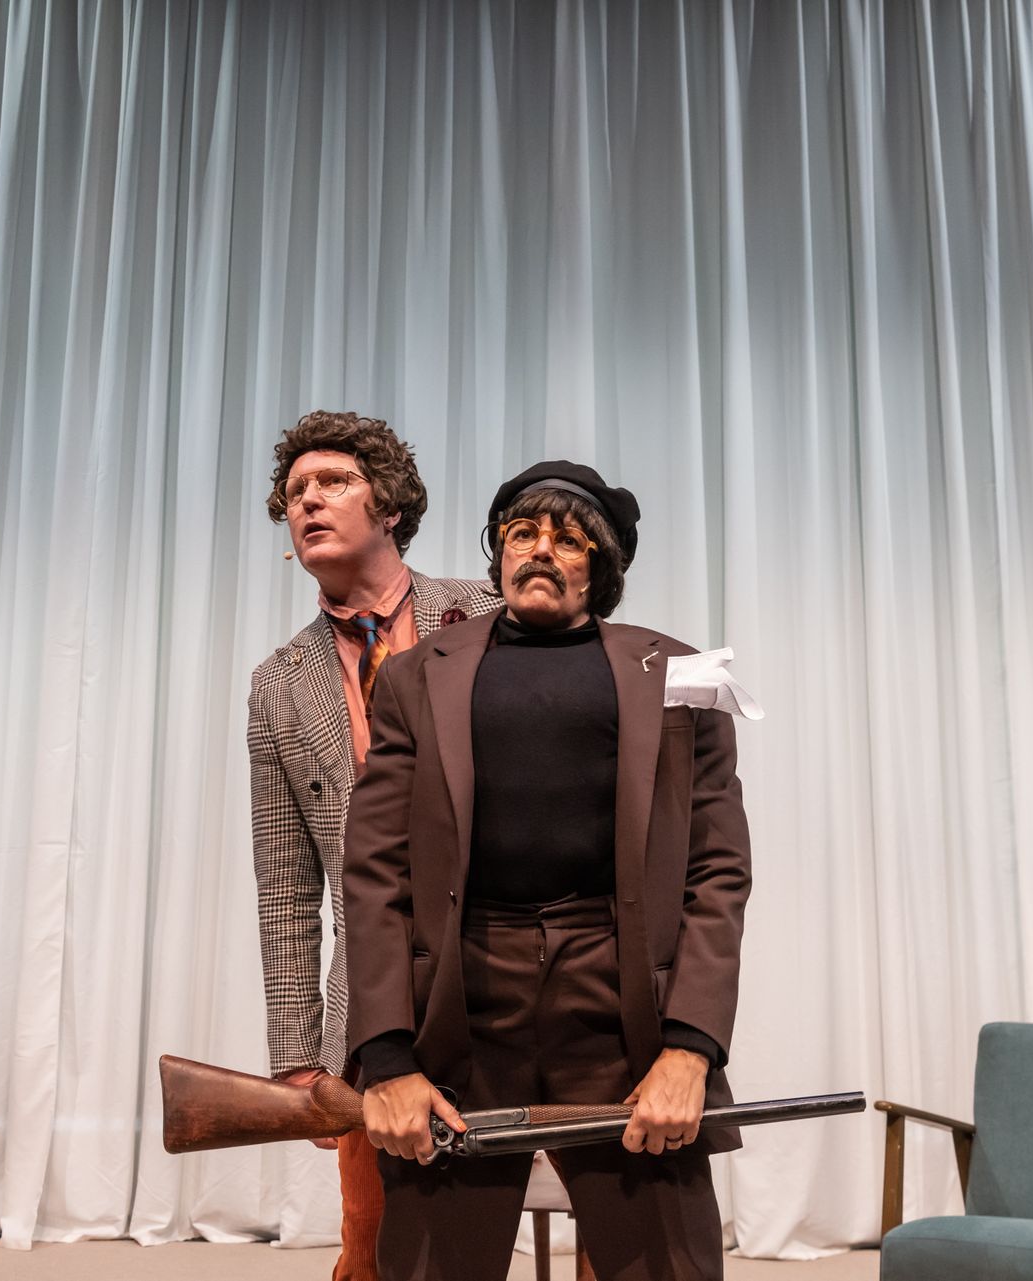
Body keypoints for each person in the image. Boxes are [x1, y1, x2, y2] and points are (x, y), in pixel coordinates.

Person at [342, 460, 754, 1281]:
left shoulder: (679, 674)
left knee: (664, 1262)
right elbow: (376, 871)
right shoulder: (419, 676)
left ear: (602, 567)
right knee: (431, 1264)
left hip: (621, 1005)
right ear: (497, 553)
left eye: (569, 541)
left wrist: (690, 1050)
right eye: (522, 534)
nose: (540, 551)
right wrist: (387, 1059)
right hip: (460, 1007)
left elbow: (717, 871)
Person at [247, 410, 502, 1281]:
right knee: (377, 1248)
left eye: (334, 483)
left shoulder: (489, 616)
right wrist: (296, 1053)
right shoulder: (278, 685)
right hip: (375, 1004)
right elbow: (284, 884)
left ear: (390, 505)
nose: (308, 502)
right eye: (294, 494)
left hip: (515, 978)